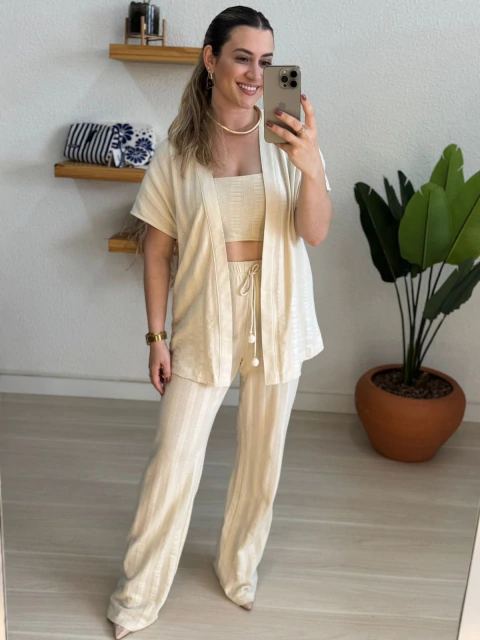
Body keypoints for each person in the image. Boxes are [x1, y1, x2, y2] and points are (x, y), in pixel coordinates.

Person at [106, 5, 332, 638]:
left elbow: (314, 232)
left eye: (267, 62)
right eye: (242, 58)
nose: (256, 74)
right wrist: (157, 336)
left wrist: (312, 164)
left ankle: (239, 570)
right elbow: (157, 251)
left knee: (263, 457)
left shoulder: (288, 141)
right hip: (205, 314)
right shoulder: (178, 152)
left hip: (278, 312)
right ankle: (137, 597)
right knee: (173, 459)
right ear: (210, 59)